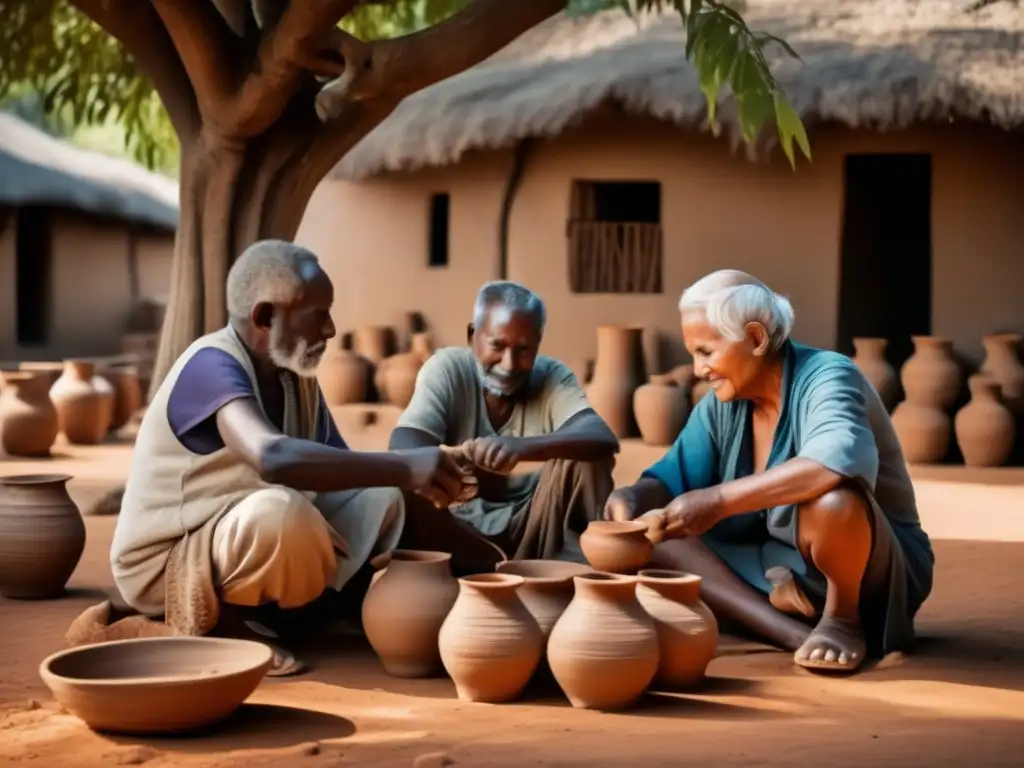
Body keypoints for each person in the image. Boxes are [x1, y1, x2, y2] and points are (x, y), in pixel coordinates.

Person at [109, 240, 472, 676]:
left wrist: (412, 481)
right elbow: (272, 458)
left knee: (383, 495)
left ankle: (319, 605)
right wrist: (406, 464)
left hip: (241, 537)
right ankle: (225, 621)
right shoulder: (211, 365)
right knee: (283, 514)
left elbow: (341, 467)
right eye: (318, 314)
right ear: (265, 317)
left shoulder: (294, 378)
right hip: (171, 562)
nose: (332, 330)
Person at [605, 270, 934, 674]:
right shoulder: (723, 404)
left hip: (872, 567)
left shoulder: (828, 374)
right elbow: (668, 480)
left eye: (706, 352)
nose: (698, 368)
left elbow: (836, 460)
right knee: (657, 535)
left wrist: (719, 501)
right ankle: (789, 632)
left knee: (833, 500)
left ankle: (842, 620)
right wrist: (632, 500)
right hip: (771, 565)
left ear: (756, 339)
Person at [389, 280, 620, 562]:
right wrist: (452, 467)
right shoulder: (447, 369)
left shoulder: (551, 375)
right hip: (458, 529)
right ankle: (480, 566)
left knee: (588, 455)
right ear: (473, 335)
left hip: (534, 527)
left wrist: (522, 448)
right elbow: (403, 445)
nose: (509, 364)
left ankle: (569, 572)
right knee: (403, 481)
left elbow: (601, 437)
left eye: (523, 350)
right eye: (497, 345)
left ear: (538, 343)